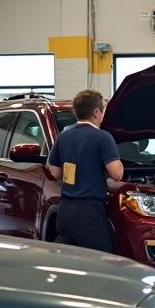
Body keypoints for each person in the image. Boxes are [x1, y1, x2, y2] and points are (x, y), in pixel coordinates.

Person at [45, 89, 124, 253]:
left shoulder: (63, 136)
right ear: (96, 112)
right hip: (88, 212)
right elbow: (117, 175)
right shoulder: (103, 137)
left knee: (70, 262)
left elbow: (54, 173)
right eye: (103, 110)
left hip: (65, 211)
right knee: (103, 261)